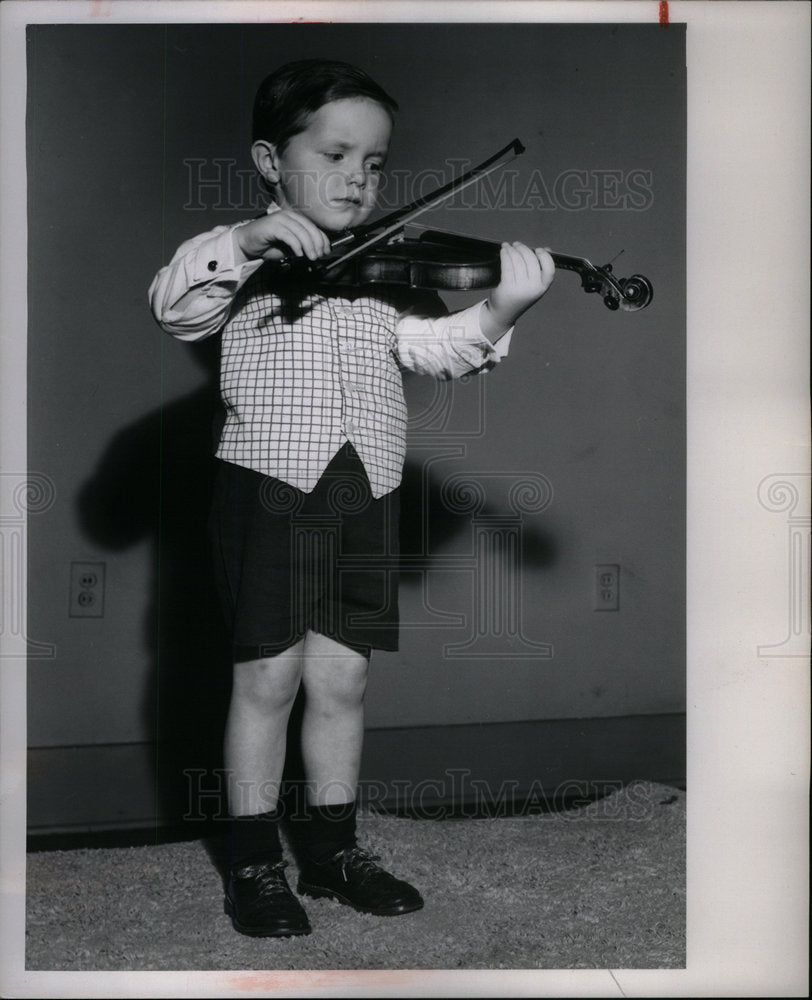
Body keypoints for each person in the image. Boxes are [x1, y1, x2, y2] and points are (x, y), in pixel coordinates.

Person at [149, 59, 554, 939]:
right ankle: (255, 863)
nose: (357, 178)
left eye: (373, 163)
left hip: (365, 487)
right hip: (269, 485)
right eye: (334, 155)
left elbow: (440, 349)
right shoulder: (236, 265)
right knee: (267, 676)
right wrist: (247, 241)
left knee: (344, 677)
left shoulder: (384, 276)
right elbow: (174, 305)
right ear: (269, 159)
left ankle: (332, 854)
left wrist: (503, 309)